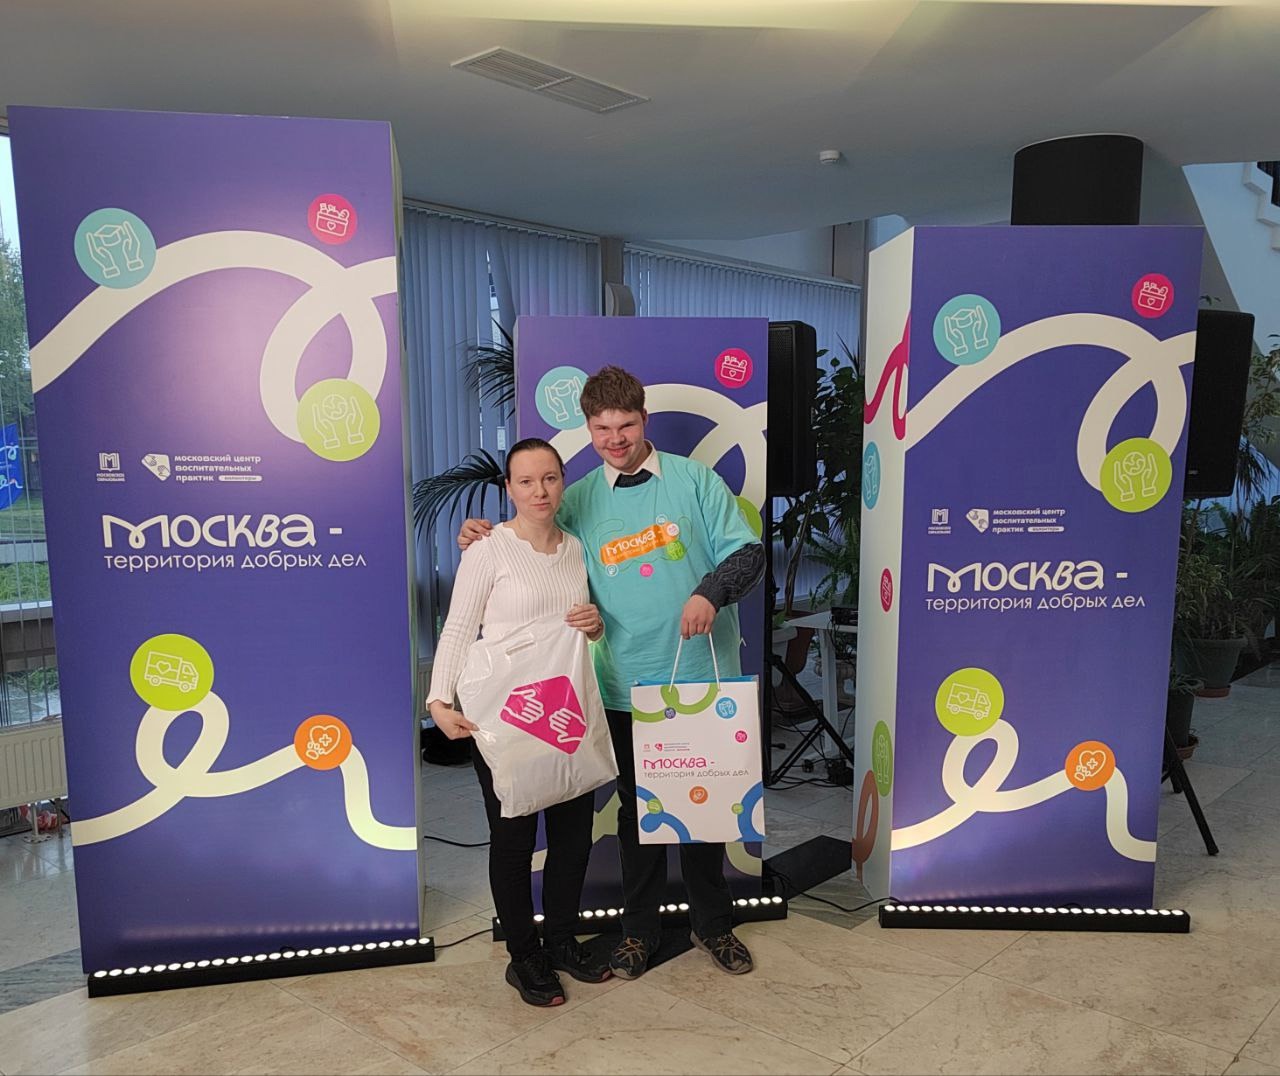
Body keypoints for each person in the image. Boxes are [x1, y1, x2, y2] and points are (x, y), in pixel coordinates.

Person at [460, 365, 766, 979]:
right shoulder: (576, 498)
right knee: (636, 811)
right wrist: (481, 536)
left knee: (703, 813)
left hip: (698, 677)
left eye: (625, 425)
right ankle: (638, 932)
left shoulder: (695, 480)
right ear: (589, 430)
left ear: (644, 420)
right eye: (602, 429)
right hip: (618, 684)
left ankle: (713, 925)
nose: (615, 439)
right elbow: (532, 541)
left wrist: (710, 591)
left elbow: (748, 551)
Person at [427, 437, 613, 1007]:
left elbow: (584, 634)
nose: (540, 491)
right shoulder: (488, 549)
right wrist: (439, 701)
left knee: (573, 837)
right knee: (513, 839)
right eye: (526, 481)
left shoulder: (577, 550)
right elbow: (459, 627)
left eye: (550, 478)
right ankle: (524, 956)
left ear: (563, 483)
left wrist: (595, 625)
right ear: (509, 488)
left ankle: (561, 941)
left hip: (564, 712)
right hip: (505, 717)